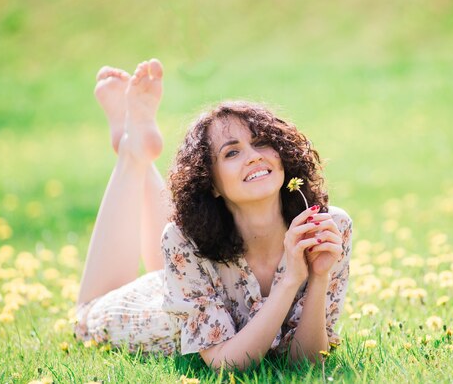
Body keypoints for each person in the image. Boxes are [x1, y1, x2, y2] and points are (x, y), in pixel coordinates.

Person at [74, 58, 353, 371]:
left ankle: (136, 145)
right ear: (211, 182)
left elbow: (308, 363)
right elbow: (226, 365)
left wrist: (318, 277)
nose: (253, 156)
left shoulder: (326, 228)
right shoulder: (182, 240)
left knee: (178, 261)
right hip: (145, 315)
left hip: (188, 287)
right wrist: (289, 281)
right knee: (86, 313)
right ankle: (131, 150)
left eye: (262, 142)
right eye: (232, 152)